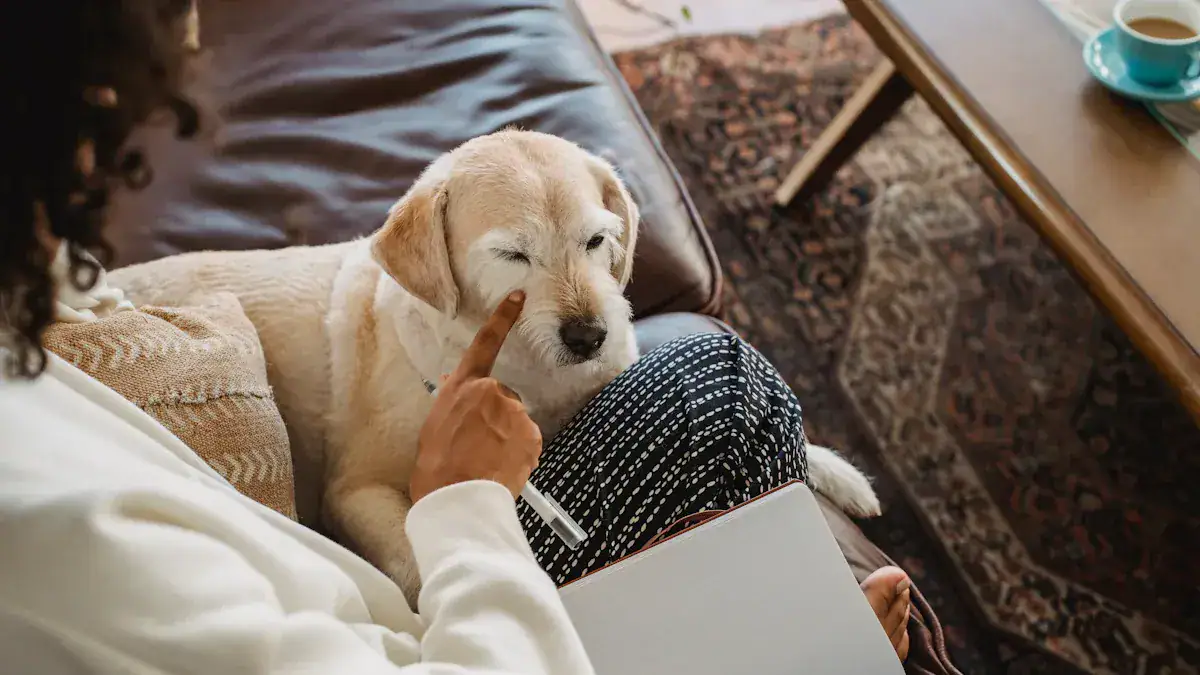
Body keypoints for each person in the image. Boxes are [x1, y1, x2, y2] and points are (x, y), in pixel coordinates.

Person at [0, 1, 911, 672]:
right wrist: (464, 503)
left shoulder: (36, 317)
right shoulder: (56, 526)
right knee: (724, 382)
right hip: (428, 623)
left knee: (719, 379)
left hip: (432, 593)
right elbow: (371, 510)